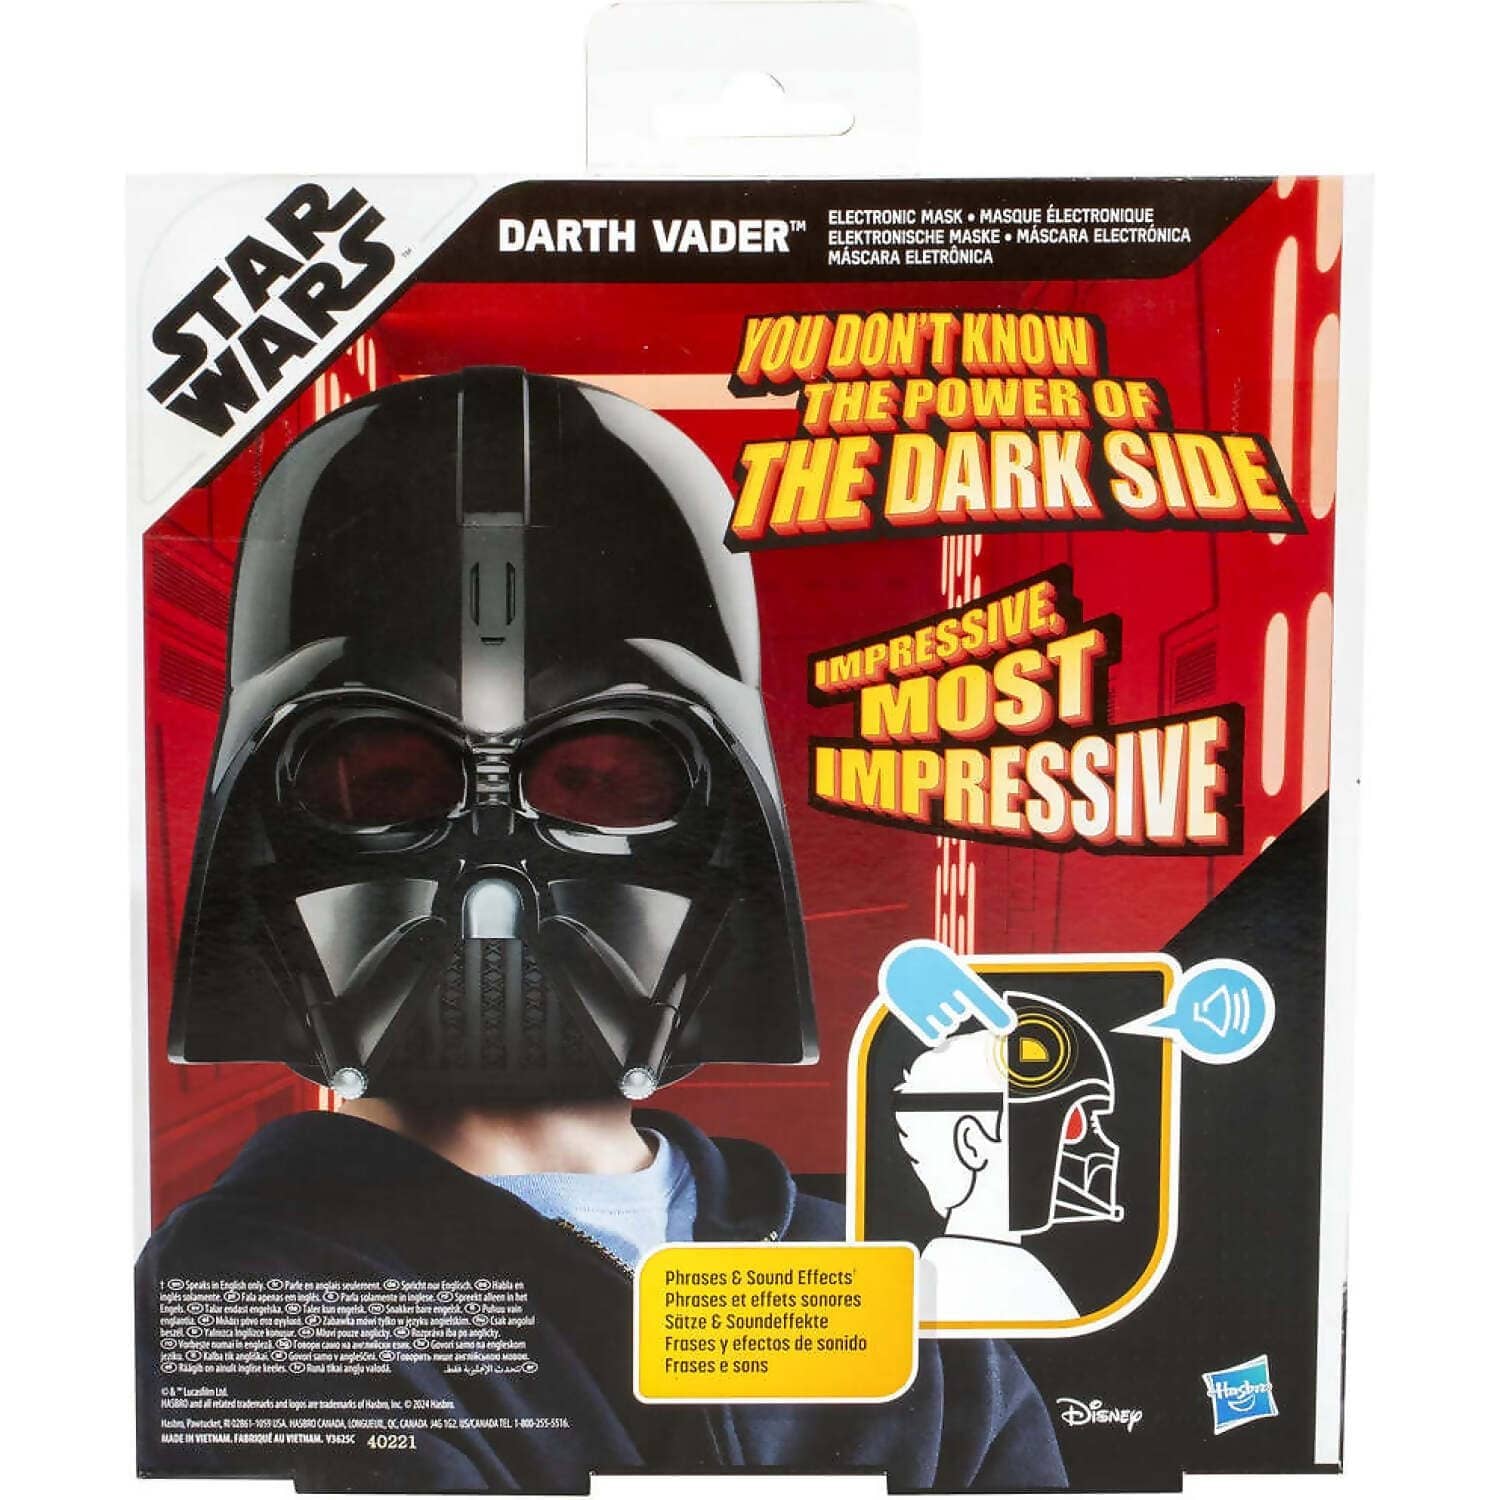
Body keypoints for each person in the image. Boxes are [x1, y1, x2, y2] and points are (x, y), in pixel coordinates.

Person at [138, 369, 1067, 1491]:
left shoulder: (883, 1292)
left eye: (596, 779)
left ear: (723, 828)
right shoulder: (252, 1294)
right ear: (266, 830)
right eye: (392, 781)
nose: (492, 872)